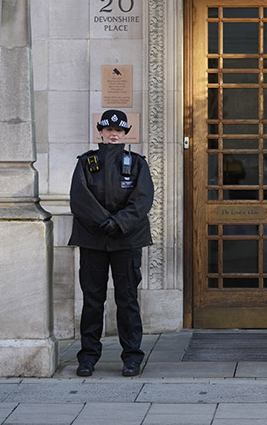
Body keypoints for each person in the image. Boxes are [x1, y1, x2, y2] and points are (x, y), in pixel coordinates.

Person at [69, 109, 154, 377]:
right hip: (93, 240)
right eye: (109, 131)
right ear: (101, 132)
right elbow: (79, 198)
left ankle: (131, 357)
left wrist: (118, 223)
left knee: (127, 300)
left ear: (125, 133)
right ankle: (88, 357)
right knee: (92, 301)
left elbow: (143, 199)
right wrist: (102, 221)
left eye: (119, 131)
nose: (113, 135)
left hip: (127, 240)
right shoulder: (86, 162)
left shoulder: (138, 163)